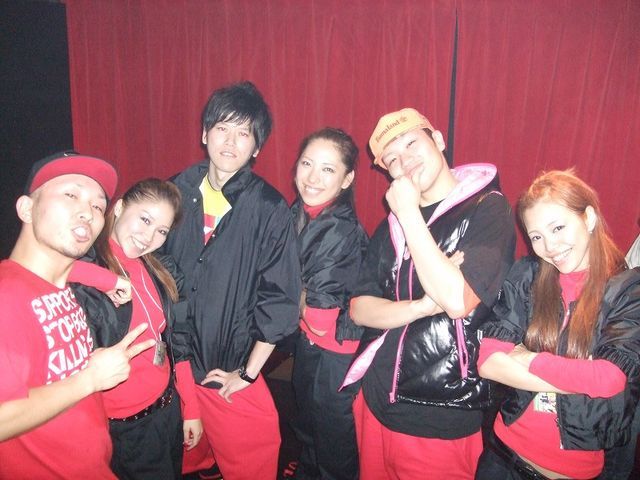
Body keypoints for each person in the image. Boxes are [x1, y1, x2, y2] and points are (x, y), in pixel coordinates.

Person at [341, 108, 516, 479]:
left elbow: (455, 301)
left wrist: (409, 213)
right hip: (374, 399)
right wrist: (420, 306)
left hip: (440, 412)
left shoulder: (488, 208)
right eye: (392, 159)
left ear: (438, 139)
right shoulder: (390, 229)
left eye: (410, 143)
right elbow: (359, 307)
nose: (404, 160)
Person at [161, 80, 301, 479]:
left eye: (243, 133)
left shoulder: (269, 208)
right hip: (173, 361)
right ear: (205, 133)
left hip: (225, 368)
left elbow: (280, 299)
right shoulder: (175, 190)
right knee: (184, 456)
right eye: (222, 128)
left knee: (255, 454)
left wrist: (250, 372)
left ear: (256, 147)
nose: (230, 141)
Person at [476, 170, 640, 480]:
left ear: (588, 218)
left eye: (558, 227)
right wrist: (582, 377)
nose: (549, 245)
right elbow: (488, 363)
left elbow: (610, 379)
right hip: (501, 458)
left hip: (573, 471)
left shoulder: (628, 291)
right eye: (537, 236)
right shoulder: (528, 276)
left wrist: (528, 358)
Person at [0, 152, 155, 479]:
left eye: (98, 206)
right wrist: (90, 379)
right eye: (71, 195)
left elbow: (67, 270)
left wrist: (107, 279)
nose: (88, 211)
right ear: (26, 209)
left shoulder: (56, 286)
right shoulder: (7, 295)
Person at [69, 178, 202, 479]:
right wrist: (104, 279)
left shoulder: (158, 269)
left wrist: (191, 407)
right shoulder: (88, 266)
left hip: (166, 409)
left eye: (162, 231)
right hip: (125, 428)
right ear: (119, 207)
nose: (149, 237)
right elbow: (43, 267)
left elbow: (176, 342)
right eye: (145, 220)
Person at [289, 127, 368, 479]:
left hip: (337, 350)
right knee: (307, 423)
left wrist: (288, 291)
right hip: (310, 342)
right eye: (307, 163)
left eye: (328, 169)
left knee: (333, 440)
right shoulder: (303, 210)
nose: (312, 178)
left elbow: (320, 319)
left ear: (347, 179)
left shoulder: (339, 228)